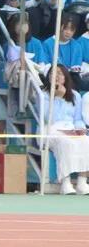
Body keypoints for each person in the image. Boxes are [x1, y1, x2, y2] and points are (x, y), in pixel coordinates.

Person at [41, 65, 89, 194]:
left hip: (70, 128)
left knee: (86, 141)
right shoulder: (43, 95)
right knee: (65, 142)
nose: (56, 76)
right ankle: (65, 183)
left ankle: (82, 182)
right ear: (48, 77)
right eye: (53, 73)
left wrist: (80, 129)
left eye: (60, 73)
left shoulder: (75, 95)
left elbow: (77, 119)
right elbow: (47, 117)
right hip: (51, 129)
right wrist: (58, 98)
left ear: (65, 77)